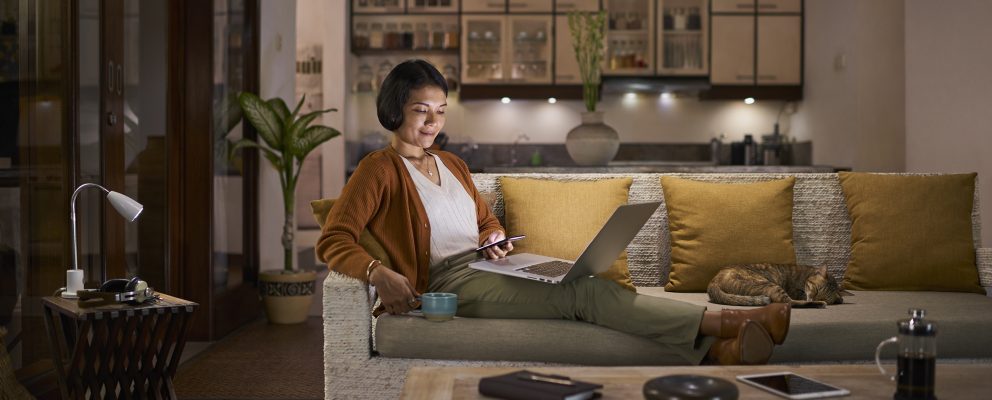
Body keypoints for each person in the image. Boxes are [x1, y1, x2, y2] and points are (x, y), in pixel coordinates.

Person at [316, 59, 791, 365]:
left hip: (484, 266)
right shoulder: (379, 169)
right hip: (446, 282)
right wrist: (378, 272)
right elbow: (333, 239)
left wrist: (494, 239)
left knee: (587, 284)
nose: (432, 122)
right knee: (582, 296)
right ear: (395, 109)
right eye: (421, 110)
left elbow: (484, 221)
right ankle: (730, 323)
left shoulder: (452, 163)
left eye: (440, 111)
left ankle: (721, 353)